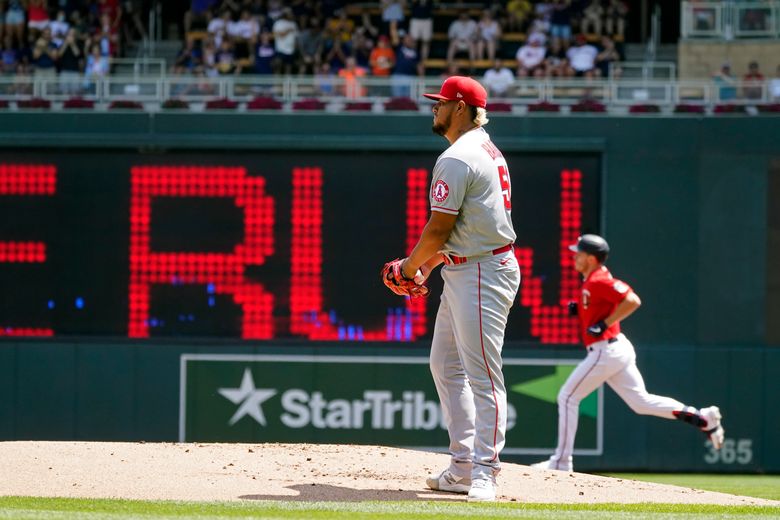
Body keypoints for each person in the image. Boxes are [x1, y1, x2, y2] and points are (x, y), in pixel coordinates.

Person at [382, 76, 520, 502]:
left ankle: (485, 471)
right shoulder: (483, 147)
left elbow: (439, 227)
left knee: (482, 375)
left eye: (440, 103)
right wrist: (432, 264)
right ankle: (461, 467)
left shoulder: (457, 157)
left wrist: (409, 267)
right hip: (468, 265)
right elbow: (471, 226)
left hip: (482, 272)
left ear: (460, 108)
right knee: (445, 365)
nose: (434, 109)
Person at [531, 234, 725, 472]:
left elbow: (632, 300)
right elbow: (598, 303)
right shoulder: (592, 279)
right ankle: (704, 418)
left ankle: (561, 462)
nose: (575, 256)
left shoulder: (599, 279)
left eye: (579, 253)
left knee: (568, 397)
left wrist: (605, 322)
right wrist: (582, 310)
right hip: (615, 349)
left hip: (606, 350)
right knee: (641, 402)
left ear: (591, 258)